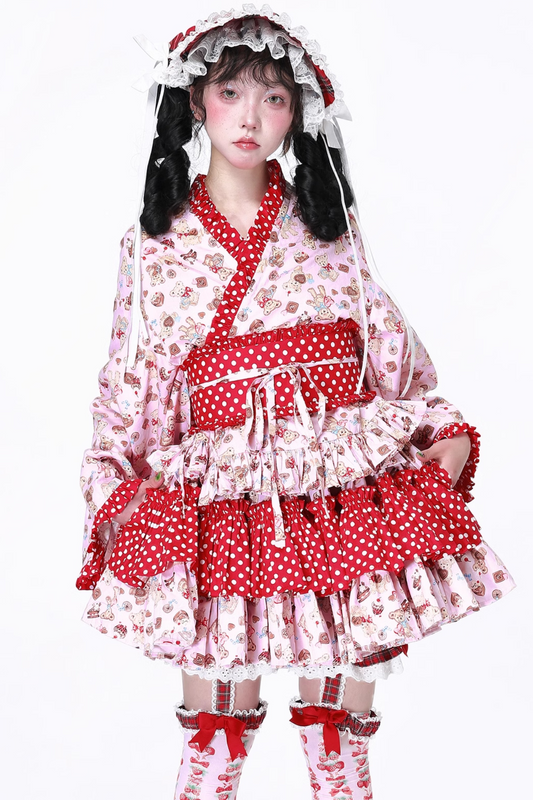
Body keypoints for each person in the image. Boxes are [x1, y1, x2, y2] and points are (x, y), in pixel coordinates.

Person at [76, 6, 515, 799]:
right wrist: (122, 481)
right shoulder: (153, 243)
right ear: (195, 100)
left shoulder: (326, 222)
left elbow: (383, 343)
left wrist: (438, 428)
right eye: (231, 92)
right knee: (214, 724)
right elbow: (136, 375)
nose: (249, 117)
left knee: (338, 722)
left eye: (273, 97)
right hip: (228, 489)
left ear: (298, 113)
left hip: (337, 477)